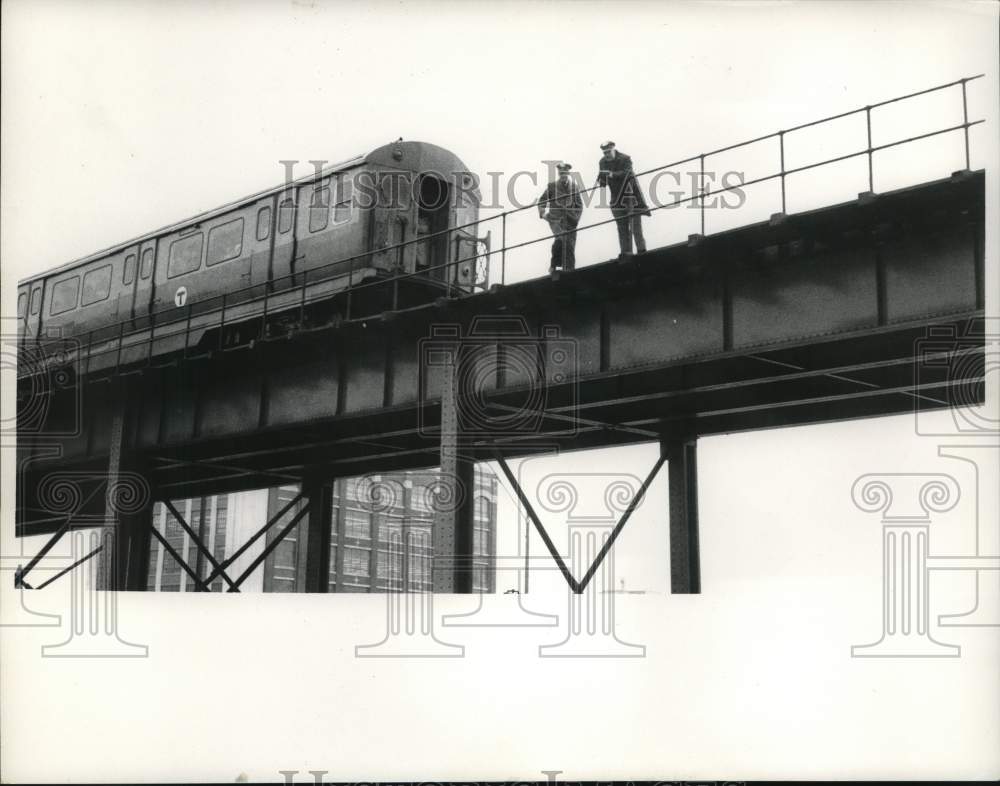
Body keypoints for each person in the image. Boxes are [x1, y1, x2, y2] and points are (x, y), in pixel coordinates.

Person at [596, 140, 650, 256]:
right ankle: (626, 252)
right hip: (616, 199)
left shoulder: (625, 159)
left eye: (608, 152)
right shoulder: (602, 162)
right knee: (621, 227)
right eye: (605, 153)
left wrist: (611, 174)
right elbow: (603, 183)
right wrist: (601, 179)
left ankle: (642, 251)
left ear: (613, 149)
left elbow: (628, 173)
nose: (607, 155)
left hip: (631, 196)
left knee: (635, 226)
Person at [538, 162, 583, 272]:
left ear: (568, 173)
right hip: (556, 219)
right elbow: (542, 200)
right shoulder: (552, 186)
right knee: (561, 239)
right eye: (561, 173)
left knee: (570, 245)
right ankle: (554, 265)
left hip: (571, 221)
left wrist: (576, 218)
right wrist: (542, 213)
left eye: (565, 173)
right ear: (559, 174)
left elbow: (579, 205)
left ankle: (569, 269)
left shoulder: (574, 187)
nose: (563, 175)